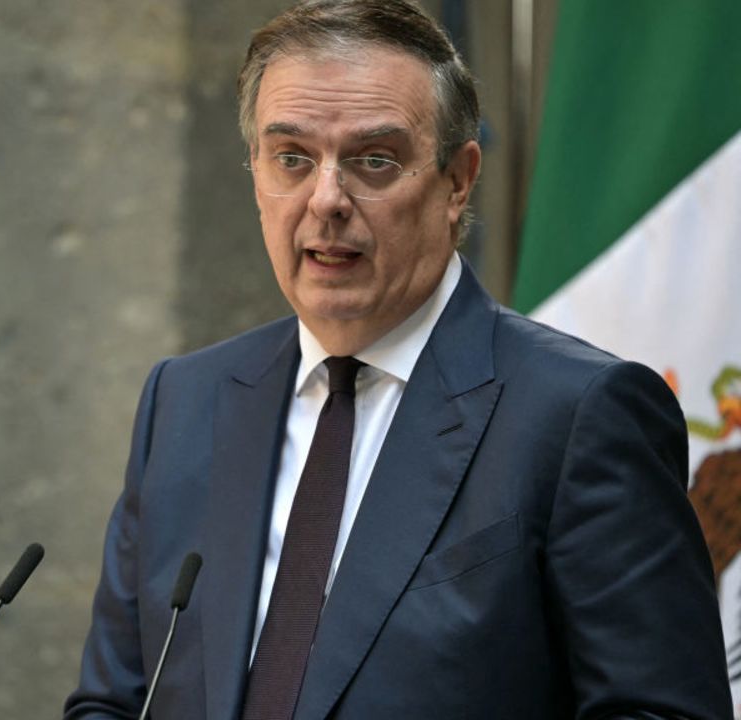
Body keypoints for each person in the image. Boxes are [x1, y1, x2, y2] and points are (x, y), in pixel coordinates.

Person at [65, 1, 730, 717]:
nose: (326, 200)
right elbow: (111, 701)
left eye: (374, 161)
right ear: (254, 170)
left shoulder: (578, 414)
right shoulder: (184, 401)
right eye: (291, 158)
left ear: (457, 180)